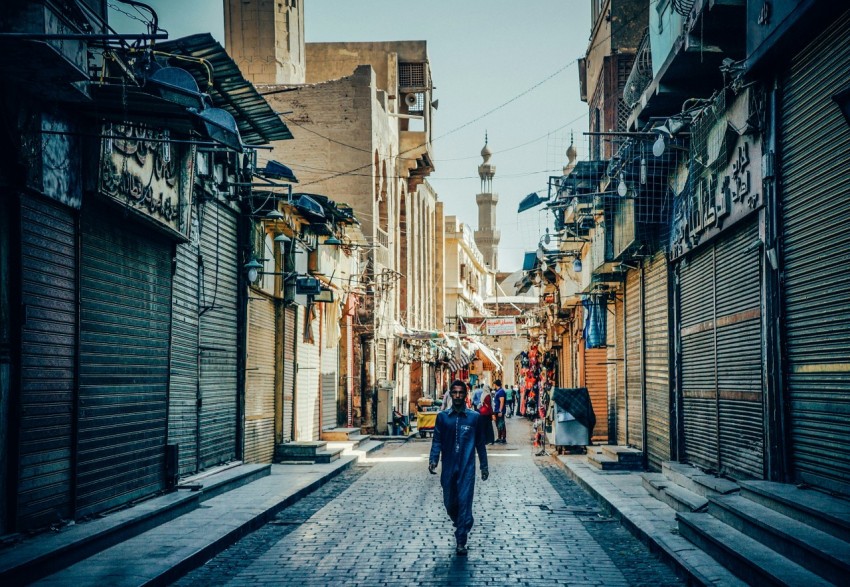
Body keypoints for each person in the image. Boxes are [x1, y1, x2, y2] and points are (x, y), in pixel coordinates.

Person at [428, 380, 489, 556]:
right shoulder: (442, 417)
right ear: (450, 394)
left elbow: (480, 444)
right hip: (448, 467)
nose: (457, 396)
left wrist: (484, 466)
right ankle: (463, 521)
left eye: (461, 393)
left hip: (467, 468)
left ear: (465, 395)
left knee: (464, 502)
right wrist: (433, 459)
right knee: (449, 502)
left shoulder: (474, 418)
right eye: (454, 392)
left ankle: (461, 539)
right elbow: (437, 440)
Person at [493, 379, 507, 444]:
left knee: (501, 424)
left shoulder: (501, 391)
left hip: (499, 411)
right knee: (498, 425)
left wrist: (500, 411)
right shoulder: (498, 391)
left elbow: (502, 402)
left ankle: (503, 438)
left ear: (496, 384)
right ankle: (499, 437)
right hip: (496, 410)